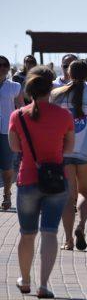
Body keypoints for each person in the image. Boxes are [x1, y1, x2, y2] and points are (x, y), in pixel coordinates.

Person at [8, 67, 74, 299]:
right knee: (49, 233)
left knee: (27, 234)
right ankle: (44, 285)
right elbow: (69, 149)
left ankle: (25, 280)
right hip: (56, 180)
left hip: (27, 179)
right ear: (51, 88)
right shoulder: (64, 115)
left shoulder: (18, 116)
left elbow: (14, 147)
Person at [50, 60, 87, 251]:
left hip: (63, 151)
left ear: (68, 72)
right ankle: (81, 226)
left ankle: (68, 240)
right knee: (85, 192)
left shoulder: (56, 95)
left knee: (68, 197)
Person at [0, 56, 22, 211]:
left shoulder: (15, 86)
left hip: (6, 131)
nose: (2, 67)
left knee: (7, 166)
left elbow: (21, 108)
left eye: (4, 65)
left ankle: (7, 194)